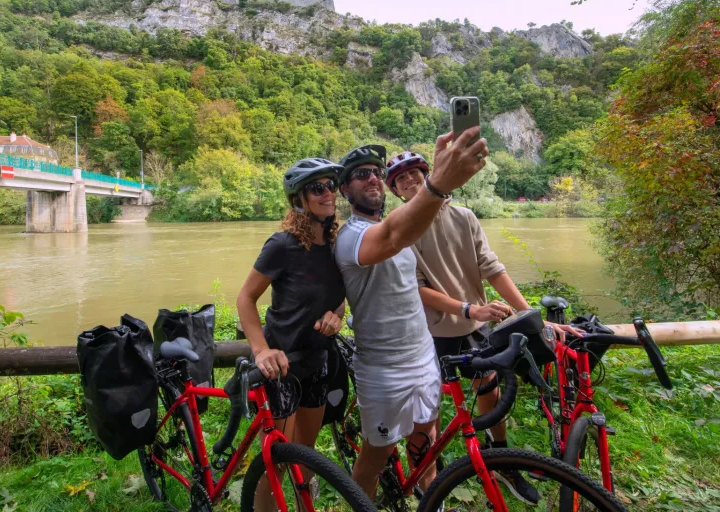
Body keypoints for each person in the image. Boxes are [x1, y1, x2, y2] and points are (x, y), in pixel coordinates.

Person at [385, 151, 577, 504]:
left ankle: (500, 463)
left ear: (429, 175)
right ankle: (430, 485)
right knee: (426, 413)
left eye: (415, 173)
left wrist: (529, 315)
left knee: (489, 394)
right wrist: (469, 307)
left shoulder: (465, 217)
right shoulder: (400, 226)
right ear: (395, 190)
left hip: (475, 327)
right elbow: (417, 287)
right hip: (431, 333)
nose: (410, 180)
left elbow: (492, 268)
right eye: (401, 179)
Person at [334, 128, 488, 500]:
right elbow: (391, 237)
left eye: (374, 171)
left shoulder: (395, 226)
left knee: (426, 442)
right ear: (344, 191)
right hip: (383, 369)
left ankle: (427, 500)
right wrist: (437, 183)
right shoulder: (352, 235)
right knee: (376, 455)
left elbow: (409, 227)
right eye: (359, 174)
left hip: (423, 357)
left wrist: (434, 186)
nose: (371, 177)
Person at [237, 158, 347, 507]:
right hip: (281, 363)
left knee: (306, 453)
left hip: (318, 359)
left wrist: (337, 316)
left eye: (331, 185)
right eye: (318, 187)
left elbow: (338, 298)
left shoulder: (338, 244)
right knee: (278, 461)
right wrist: (261, 351)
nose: (328, 193)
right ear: (299, 199)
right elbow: (245, 298)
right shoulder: (282, 245)